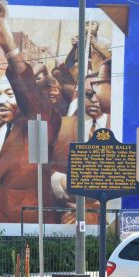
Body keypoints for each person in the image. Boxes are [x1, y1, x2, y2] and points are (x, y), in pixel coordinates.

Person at [0, 0, 62, 223]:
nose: (0, 100)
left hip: (27, 228)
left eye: (10, 93)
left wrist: (8, 42)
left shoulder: (43, 121)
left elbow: (30, 96)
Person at [51, 69, 111, 224]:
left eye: (98, 93)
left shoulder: (121, 126)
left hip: (110, 221)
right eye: (88, 94)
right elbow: (45, 166)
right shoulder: (62, 126)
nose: (95, 100)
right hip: (68, 219)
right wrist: (59, 180)